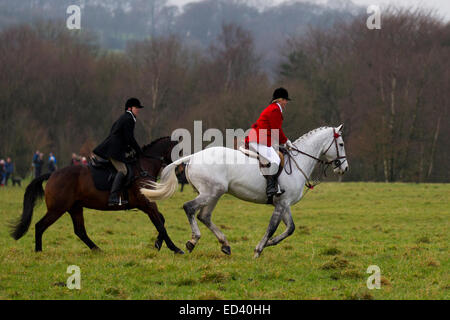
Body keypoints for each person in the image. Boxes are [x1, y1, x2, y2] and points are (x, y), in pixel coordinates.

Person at [244, 87, 295, 202]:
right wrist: (286, 141)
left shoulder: (273, 109)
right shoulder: (275, 110)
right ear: (279, 100)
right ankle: (270, 188)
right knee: (275, 160)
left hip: (262, 138)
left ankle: (273, 185)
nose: (286, 103)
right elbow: (276, 129)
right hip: (258, 139)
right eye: (285, 100)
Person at [93, 98, 144, 206]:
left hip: (115, 149)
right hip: (114, 150)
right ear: (130, 108)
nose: (138, 110)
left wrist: (128, 149)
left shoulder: (125, 118)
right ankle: (113, 197)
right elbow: (129, 138)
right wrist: (139, 151)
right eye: (136, 108)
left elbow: (122, 136)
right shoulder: (129, 118)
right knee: (123, 170)